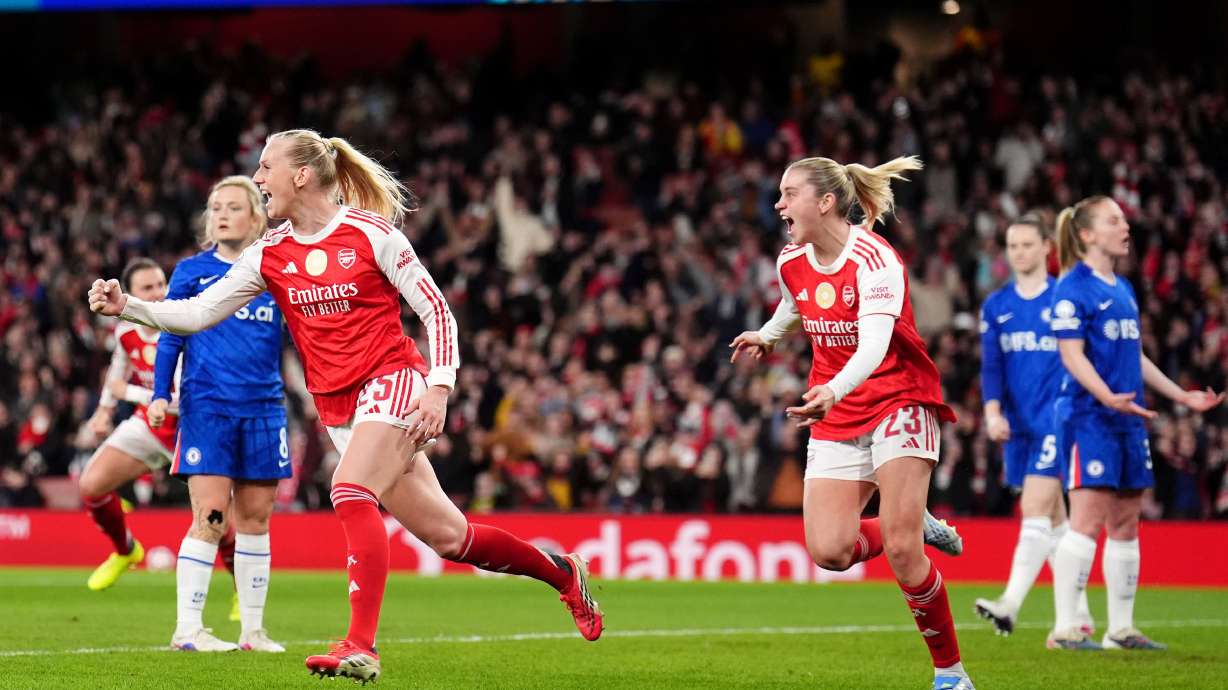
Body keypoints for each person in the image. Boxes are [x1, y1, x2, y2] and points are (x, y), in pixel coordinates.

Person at [88, 129, 602, 683]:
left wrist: (438, 387)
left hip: (393, 379)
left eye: (265, 168)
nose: (259, 179)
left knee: (350, 491)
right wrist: (131, 307)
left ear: (301, 175)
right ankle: (563, 574)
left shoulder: (373, 235)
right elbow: (195, 315)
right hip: (338, 409)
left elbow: (438, 313)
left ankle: (360, 645)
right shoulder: (271, 253)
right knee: (453, 538)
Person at [730, 155, 974, 690]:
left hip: (898, 397)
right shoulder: (790, 258)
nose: (778, 204)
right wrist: (769, 334)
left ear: (824, 202)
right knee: (831, 551)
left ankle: (951, 675)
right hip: (838, 408)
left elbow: (875, 343)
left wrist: (833, 388)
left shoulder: (875, 258)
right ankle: (910, 520)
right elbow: (797, 304)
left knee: (905, 554)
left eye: (788, 193)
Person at [1047, 195, 1223, 650]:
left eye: (1123, 219)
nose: (1125, 226)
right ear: (1087, 235)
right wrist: (1106, 395)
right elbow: (1071, 354)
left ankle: (1119, 630)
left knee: (1126, 522)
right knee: (1085, 519)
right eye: (1114, 220)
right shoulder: (1072, 287)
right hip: (1091, 417)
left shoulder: (1121, 288)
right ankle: (1064, 628)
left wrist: (1180, 394)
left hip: (1128, 418)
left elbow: (1135, 357)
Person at [146, 175, 288, 653]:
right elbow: (170, 334)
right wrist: (159, 392)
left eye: (232, 206)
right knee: (209, 515)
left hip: (265, 409)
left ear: (255, 216)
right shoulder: (192, 271)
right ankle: (187, 630)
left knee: (256, 520)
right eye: (215, 207)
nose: (222, 214)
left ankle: (253, 631)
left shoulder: (276, 272)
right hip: (207, 405)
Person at [973, 215, 1092, 636]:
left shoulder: (1065, 298)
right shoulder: (997, 306)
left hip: (1060, 418)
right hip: (1018, 427)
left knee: (1035, 507)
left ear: (1047, 247)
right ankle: (1079, 618)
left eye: (1027, 244)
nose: (1019, 252)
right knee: (1056, 522)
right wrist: (992, 412)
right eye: (1012, 245)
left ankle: (1009, 604)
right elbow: (992, 367)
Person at [79, 258, 181, 591]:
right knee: (91, 486)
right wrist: (105, 411)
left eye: (160, 285)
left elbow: (185, 401)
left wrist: (132, 392)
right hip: (149, 427)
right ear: (130, 295)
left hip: (190, 432)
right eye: (147, 288)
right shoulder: (125, 331)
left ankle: (244, 601)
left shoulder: (181, 328)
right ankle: (126, 550)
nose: (158, 293)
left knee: (217, 522)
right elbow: (117, 372)